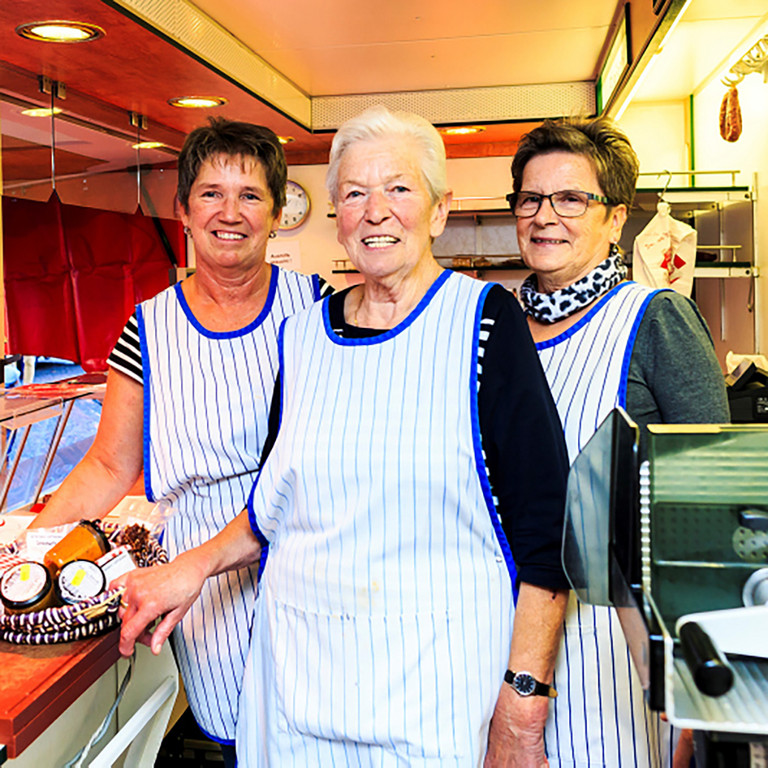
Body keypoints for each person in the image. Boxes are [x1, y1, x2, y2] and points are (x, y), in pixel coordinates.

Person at [117, 105, 571, 766]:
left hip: (437, 693)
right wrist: (190, 568)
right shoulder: (301, 337)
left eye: (399, 188)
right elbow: (272, 506)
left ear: (439, 212)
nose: (376, 209)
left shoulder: (483, 323)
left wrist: (524, 702)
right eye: (355, 193)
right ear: (338, 215)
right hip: (300, 690)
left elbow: (546, 530)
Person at [30, 118, 328, 766]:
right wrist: (24, 554)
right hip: (202, 580)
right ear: (183, 211)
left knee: (320, 735)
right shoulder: (149, 328)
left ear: (276, 211)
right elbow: (109, 464)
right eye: (211, 194)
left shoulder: (317, 308)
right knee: (244, 742)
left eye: (250, 195)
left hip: (310, 563)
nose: (230, 212)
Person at [507, 117, 730, 768]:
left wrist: (691, 680)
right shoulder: (500, 332)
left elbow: (710, 502)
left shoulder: (653, 318)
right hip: (513, 635)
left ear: (615, 219)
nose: (546, 216)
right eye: (530, 198)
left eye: (572, 199)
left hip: (615, 645)